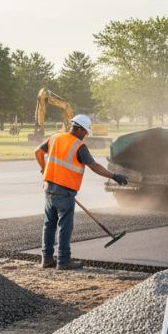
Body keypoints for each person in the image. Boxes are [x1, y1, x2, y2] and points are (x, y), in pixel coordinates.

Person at [34, 115, 128, 270]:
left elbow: (37, 152)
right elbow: (94, 166)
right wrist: (114, 176)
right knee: (65, 226)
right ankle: (63, 261)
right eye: (85, 132)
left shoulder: (54, 138)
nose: (85, 135)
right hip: (65, 192)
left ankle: (47, 259)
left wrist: (44, 169)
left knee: (49, 225)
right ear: (78, 128)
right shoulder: (79, 146)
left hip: (49, 188)